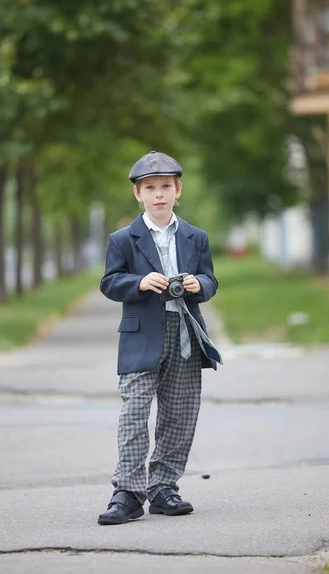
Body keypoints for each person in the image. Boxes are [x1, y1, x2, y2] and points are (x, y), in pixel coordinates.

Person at [98, 150, 222, 525]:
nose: (158, 195)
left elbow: (210, 280)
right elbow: (109, 283)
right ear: (138, 194)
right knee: (134, 412)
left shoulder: (195, 236)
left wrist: (198, 283)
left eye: (165, 187)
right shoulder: (123, 238)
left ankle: (164, 487)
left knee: (180, 413)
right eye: (150, 188)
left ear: (177, 190)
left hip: (185, 333)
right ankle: (128, 492)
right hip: (140, 338)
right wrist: (138, 282)